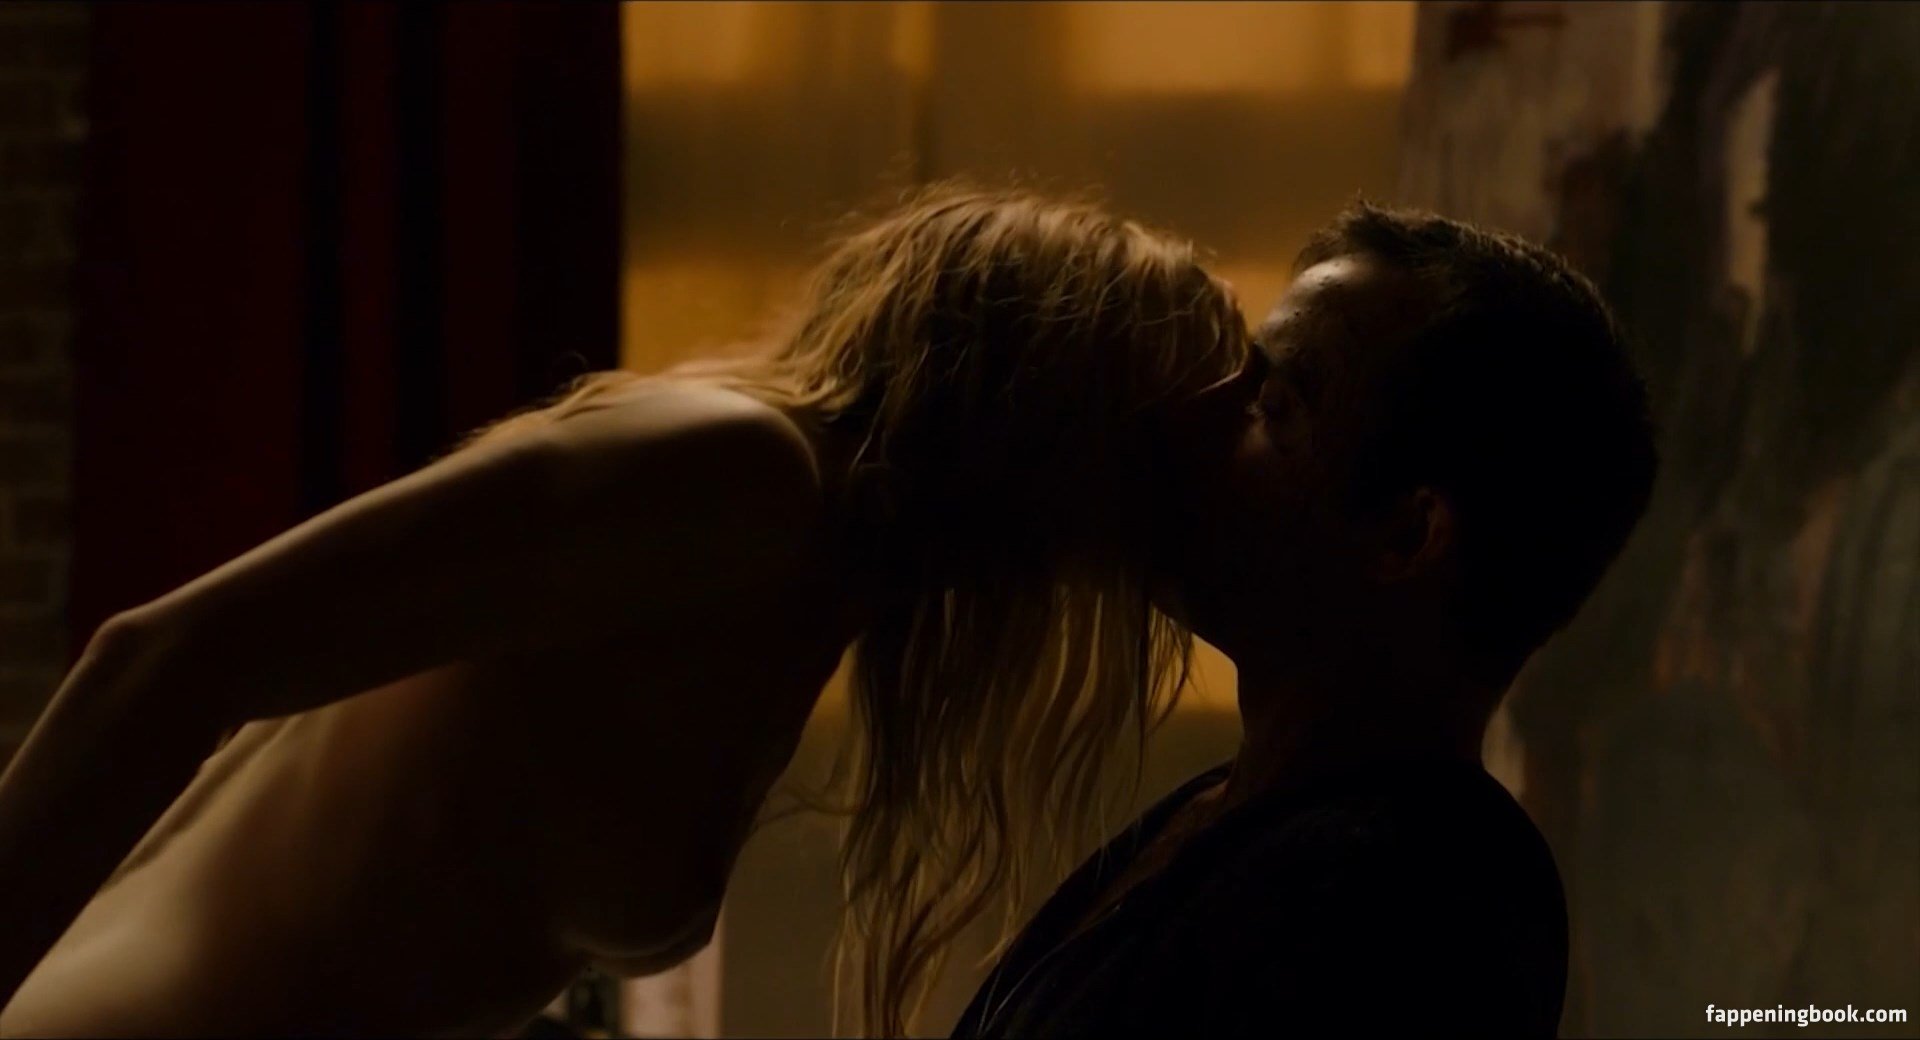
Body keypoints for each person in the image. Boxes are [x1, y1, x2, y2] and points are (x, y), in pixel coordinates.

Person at [0, 186, 1257, 1037]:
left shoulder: (811, 570)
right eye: (1158, 461)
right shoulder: (737, 473)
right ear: (1053, 429)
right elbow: (162, 657)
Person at [951, 204, 1657, 1038]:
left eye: (1273, 404)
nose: (1200, 411)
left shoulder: (1403, 913)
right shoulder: (1241, 813)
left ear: (1405, 536)